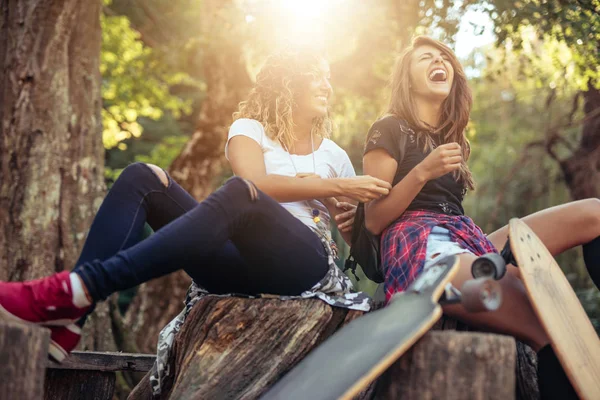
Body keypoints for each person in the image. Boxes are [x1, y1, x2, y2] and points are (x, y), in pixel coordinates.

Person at [0, 49, 392, 363]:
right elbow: (254, 183)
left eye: (329, 78)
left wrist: (347, 223)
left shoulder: (334, 154)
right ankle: (71, 320)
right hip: (233, 263)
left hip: (302, 265)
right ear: (288, 82)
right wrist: (330, 184)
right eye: (317, 76)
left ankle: (74, 290)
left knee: (241, 193)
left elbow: (357, 239)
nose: (327, 85)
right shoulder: (248, 130)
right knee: (143, 176)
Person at [362, 36, 600, 399]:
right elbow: (375, 220)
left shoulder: (453, 137)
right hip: (421, 246)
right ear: (407, 79)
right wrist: (422, 172)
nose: (438, 61)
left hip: (465, 238)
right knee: (550, 326)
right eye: (425, 58)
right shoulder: (388, 127)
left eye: (443, 57)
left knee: (593, 213)